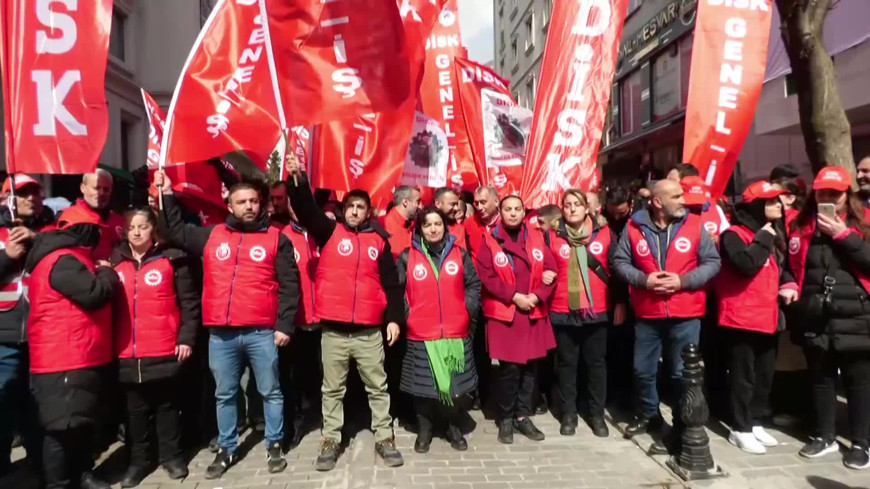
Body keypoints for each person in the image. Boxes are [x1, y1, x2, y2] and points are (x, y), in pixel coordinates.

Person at [153, 170, 298, 479]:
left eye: (253, 201)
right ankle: (227, 447)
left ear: (261, 205)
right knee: (225, 394)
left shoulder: (276, 238)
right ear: (229, 205)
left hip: (262, 332)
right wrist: (165, 194)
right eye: (241, 201)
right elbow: (173, 230)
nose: (248, 206)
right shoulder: (211, 234)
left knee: (270, 391)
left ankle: (274, 443)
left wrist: (285, 325)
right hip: (221, 334)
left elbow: (289, 285)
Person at [284, 156, 405, 471]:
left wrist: (393, 318)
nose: (354, 211)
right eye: (350, 206)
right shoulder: (328, 232)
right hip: (334, 333)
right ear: (343, 209)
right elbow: (308, 211)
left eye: (360, 207)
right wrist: (297, 180)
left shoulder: (379, 241)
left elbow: (392, 285)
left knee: (378, 387)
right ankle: (331, 439)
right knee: (332, 389)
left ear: (369, 212)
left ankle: (384, 437)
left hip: (368, 333)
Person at [612, 179, 721, 442]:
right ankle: (650, 416)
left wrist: (683, 281)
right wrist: (643, 280)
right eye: (676, 196)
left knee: (681, 372)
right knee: (642, 370)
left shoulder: (695, 226)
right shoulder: (633, 227)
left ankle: (683, 423)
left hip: (685, 314)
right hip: (648, 314)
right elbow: (620, 261)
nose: (683, 200)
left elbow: (713, 262)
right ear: (658, 202)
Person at [780, 166, 870, 469]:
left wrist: (843, 235)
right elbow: (790, 266)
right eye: (822, 193)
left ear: (847, 194)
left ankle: (861, 443)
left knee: (859, 383)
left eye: (835, 193)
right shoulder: (802, 225)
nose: (828, 198)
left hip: (856, 314)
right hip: (815, 314)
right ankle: (825, 436)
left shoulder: (865, 221)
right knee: (821, 379)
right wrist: (789, 282)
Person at [25, 204, 120, 489]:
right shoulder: (62, 260)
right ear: (83, 231)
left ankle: (82, 473)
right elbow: (94, 294)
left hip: (80, 352)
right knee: (61, 428)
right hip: (63, 357)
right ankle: (60, 482)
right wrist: (108, 273)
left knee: (80, 422)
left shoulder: (70, 257)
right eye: (95, 232)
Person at [111, 209, 199, 486]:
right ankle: (139, 462)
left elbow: (189, 303)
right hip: (127, 350)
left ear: (153, 229)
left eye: (143, 226)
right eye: (131, 228)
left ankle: (171, 458)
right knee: (135, 413)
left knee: (166, 408)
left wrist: (186, 338)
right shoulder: (114, 262)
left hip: (163, 347)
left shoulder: (172, 260)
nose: (136, 232)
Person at [396, 206, 480, 453]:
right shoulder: (406, 256)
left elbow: (473, 284)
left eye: (438, 224)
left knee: (455, 386)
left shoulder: (459, 254)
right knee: (423, 388)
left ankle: (453, 426)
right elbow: (396, 291)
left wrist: (466, 309)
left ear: (445, 227)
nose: (433, 229)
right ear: (419, 229)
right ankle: (425, 430)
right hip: (421, 333)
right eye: (427, 225)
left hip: (455, 332)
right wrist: (408, 316)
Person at [476, 195, 557, 444]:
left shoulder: (536, 237)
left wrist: (536, 296)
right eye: (508, 209)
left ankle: (523, 415)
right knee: (509, 371)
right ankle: (506, 417)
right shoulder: (490, 240)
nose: (512, 213)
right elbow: (487, 276)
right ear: (500, 212)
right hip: (507, 314)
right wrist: (515, 296)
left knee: (530, 370)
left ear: (524, 212)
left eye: (517, 209)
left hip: (532, 311)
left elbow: (551, 271)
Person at [715, 181, 788, 454]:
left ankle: (755, 420)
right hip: (741, 317)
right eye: (770, 202)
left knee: (763, 375)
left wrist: (789, 284)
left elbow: (783, 268)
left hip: (768, 316)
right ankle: (740, 427)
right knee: (743, 376)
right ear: (755, 206)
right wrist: (765, 238)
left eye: (778, 200)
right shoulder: (733, 234)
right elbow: (746, 264)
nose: (778, 205)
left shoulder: (772, 233)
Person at [547, 189, 626, 438]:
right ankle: (568, 413)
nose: (572, 209)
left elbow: (616, 268)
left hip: (597, 310)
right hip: (563, 309)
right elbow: (542, 265)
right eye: (567, 205)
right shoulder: (551, 236)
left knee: (596, 364)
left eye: (577, 204)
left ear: (586, 208)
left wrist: (621, 302)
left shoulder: (604, 234)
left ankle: (596, 414)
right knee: (568, 365)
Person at [0, 174, 54, 476]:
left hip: (42, 334)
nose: (32, 198)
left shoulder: (50, 229)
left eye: (35, 192)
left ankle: (41, 467)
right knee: (3, 405)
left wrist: (38, 242)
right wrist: (6, 257)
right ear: (6, 198)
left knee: (38, 407)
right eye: (23, 193)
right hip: (4, 337)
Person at [279, 201, 322, 446]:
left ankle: (328, 420)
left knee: (326, 376)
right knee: (292, 379)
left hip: (325, 319)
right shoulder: (281, 236)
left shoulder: (325, 233)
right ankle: (294, 425)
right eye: (294, 205)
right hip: (295, 321)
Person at [73, 170, 125, 261]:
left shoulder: (119, 221)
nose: (101, 193)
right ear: (83, 188)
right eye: (96, 188)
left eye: (106, 189)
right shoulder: (69, 219)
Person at [381, 186, 421, 258]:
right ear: (405, 202)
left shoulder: (416, 226)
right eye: (417, 201)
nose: (419, 206)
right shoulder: (382, 224)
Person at [466, 186, 500, 256]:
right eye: (476, 203)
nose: (479, 207)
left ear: (496, 202)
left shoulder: (507, 223)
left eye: (483, 202)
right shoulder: (470, 222)